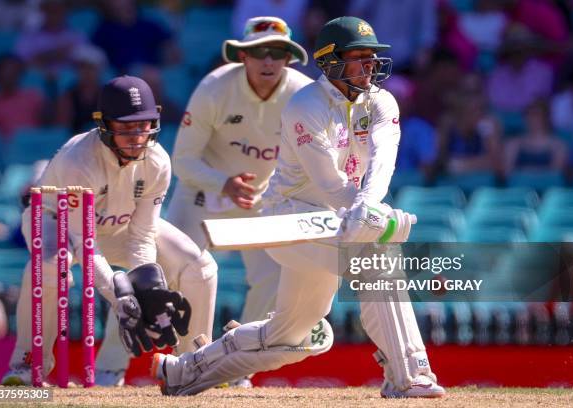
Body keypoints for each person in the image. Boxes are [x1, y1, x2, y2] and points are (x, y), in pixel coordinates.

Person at [151, 16, 446, 398]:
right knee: (376, 258)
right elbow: (328, 184)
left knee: (292, 335)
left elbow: (382, 162)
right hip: (290, 220)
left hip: (340, 221)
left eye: (372, 58)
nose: (369, 66)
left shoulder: (383, 102)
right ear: (330, 61)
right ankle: (408, 377)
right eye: (358, 57)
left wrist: (371, 208)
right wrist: (369, 216)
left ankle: (182, 372)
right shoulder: (305, 106)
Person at [92, 16, 312, 388]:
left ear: (290, 58)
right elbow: (184, 160)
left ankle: (236, 368)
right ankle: (109, 368)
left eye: (279, 52)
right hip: (203, 194)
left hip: (265, 199)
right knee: (156, 279)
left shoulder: (304, 95)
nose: (269, 61)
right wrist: (223, 183)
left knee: (275, 275)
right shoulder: (215, 87)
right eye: (259, 52)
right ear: (242, 56)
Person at [1, 75, 217, 386]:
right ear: (104, 125)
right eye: (126, 127)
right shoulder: (80, 159)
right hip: (54, 221)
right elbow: (83, 245)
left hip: (121, 224)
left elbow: (142, 235)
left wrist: (146, 285)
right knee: (51, 267)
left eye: (142, 126)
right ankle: (26, 365)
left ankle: (193, 366)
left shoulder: (157, 161)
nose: (136, 137)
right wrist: (120, 301)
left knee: (201, 267)